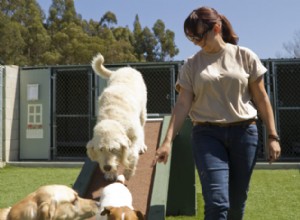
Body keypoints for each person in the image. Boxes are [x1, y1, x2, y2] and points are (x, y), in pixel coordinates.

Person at [152, 6, 281, 220]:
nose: (196, 42)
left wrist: (273, 136)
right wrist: (167, 141)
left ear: (217, 28)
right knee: (217, 202)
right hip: (207, 136)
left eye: (199, 36)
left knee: (236, 205)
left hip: (245, 134)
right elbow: (182, 104)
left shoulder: (245, 56)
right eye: (191, 38)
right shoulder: (191, 65)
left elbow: (261, 98)